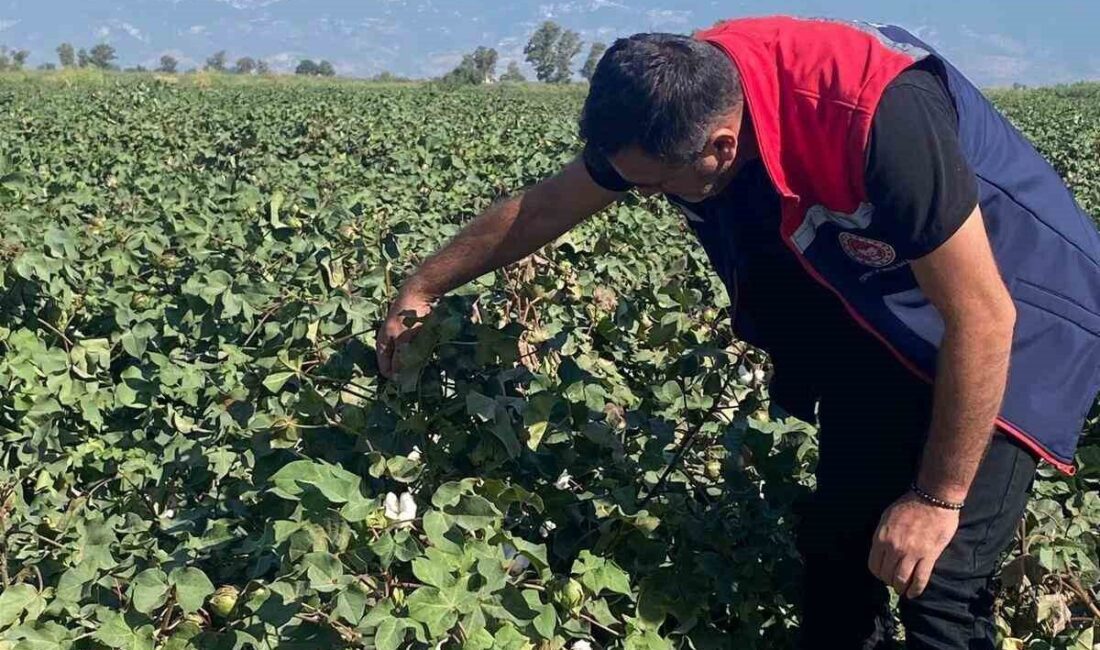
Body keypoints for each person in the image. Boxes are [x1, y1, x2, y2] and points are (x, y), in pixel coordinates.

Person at [375, 15, 1100, 649]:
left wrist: (937, 500)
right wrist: (425, 284)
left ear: (721, 149)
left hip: (1022, 316)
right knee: (838, 542)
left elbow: (983, 317)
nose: (648, 198)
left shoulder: (875, 114)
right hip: (883, 304)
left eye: (659, 186)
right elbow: (545, 208)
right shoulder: (673, 100)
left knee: (934, 576)